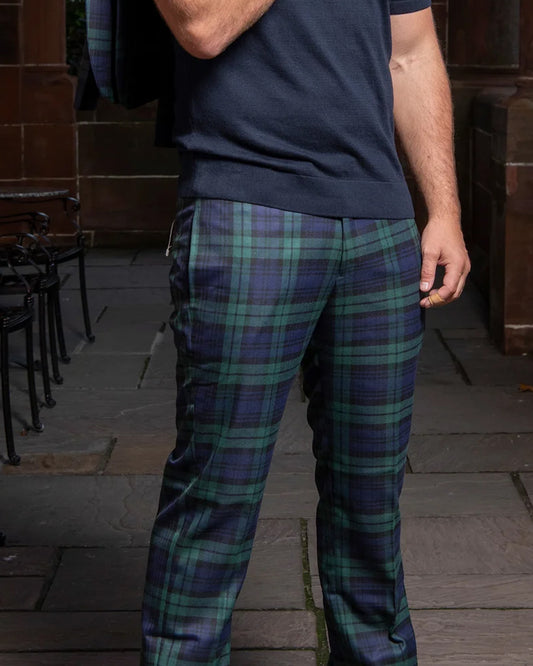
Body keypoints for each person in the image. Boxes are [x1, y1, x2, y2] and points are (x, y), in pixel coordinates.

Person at [141, 0, 471, 664]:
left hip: (378, 221)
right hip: (246, 209)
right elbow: (200, 27)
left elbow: (410, 53)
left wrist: (443, 209)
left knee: (369, 500)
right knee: (217, 493)